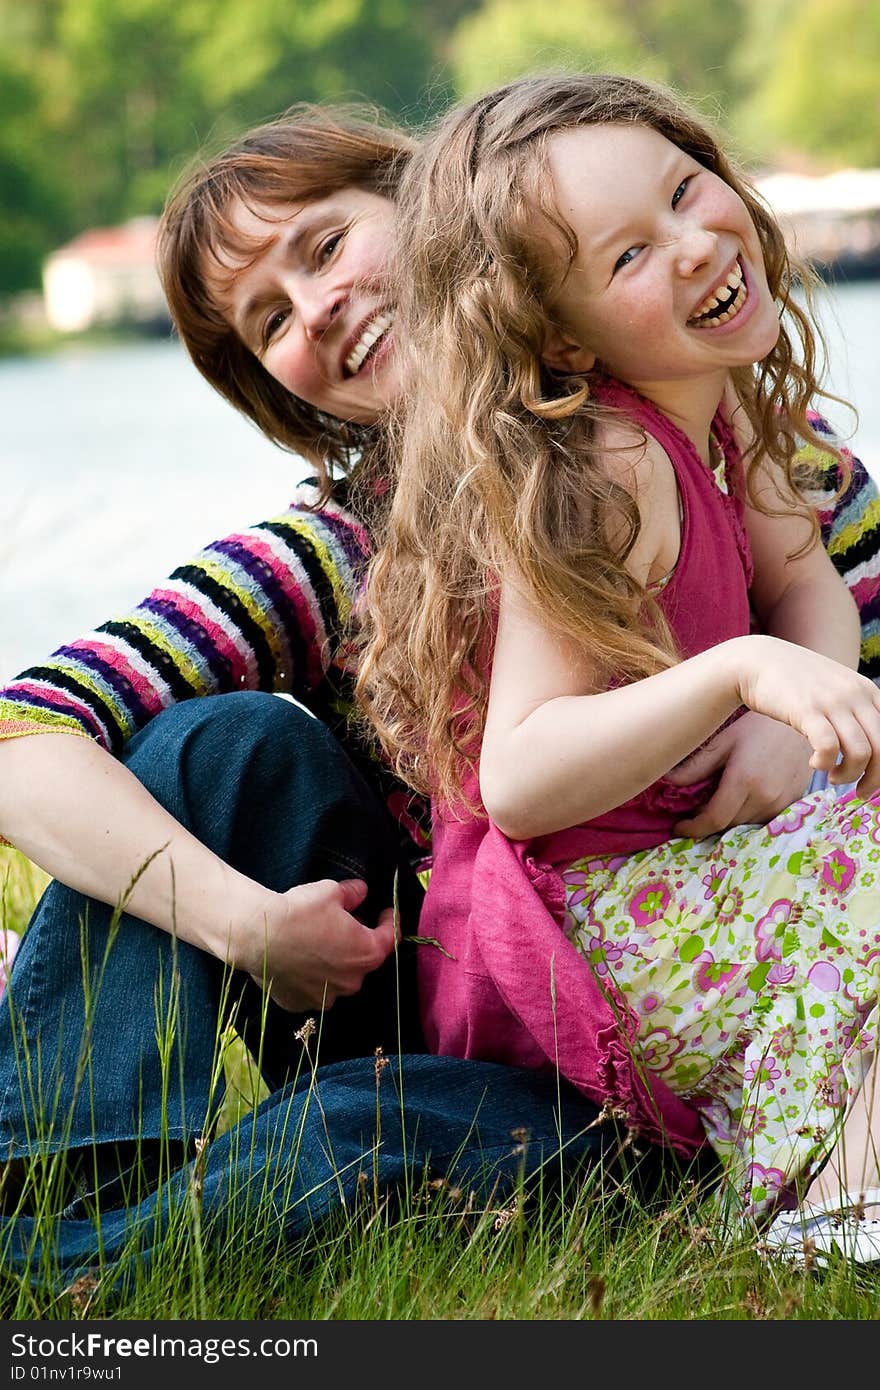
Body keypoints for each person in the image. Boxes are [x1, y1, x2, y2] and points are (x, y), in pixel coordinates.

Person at [0, 97, 874, 1280]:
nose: (318, 308)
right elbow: (22, 728)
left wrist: (794, 709)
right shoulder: (335, 550)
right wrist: (243, 922)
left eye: (323, 246)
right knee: (230, 749)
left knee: (356, 1129)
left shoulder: (715, 403)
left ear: (444, 210)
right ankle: (59, 1178)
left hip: (680, 1012)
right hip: (477, 986)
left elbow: (832, 624)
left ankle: (78, 1256)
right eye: (270, 322)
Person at [356, 73, 880, 1262]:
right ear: (555, 335)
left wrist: (791, 717)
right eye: (630, 255)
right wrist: (738, 673)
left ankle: (840, 1146)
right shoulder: (609, 469)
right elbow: (523, 778)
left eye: (688, 190)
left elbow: (806, 588)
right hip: (584, 935)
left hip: (693, 875)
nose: (698, 244)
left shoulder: (724, 404)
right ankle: (826, 1197)